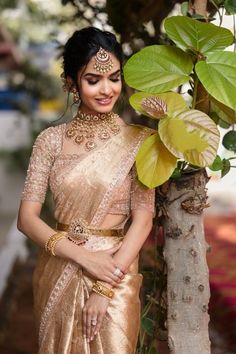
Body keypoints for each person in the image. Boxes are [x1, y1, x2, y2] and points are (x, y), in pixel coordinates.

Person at [17, 27, 155, 354]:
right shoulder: (50, 141)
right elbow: (26, 219)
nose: (107, 89)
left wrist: (105, 285)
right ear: (71, 83)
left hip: (115, 270)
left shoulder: (139, 141)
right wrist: (83, 257)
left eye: (114, 78)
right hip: (59, 266)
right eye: (94, 80)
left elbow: (143, 219)